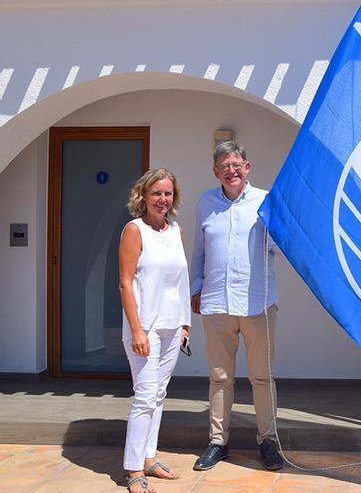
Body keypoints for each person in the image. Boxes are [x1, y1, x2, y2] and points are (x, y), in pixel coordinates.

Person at [190, 141, 283, 471]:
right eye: (224, 166)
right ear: (216, 171)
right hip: (217, 303)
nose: (231, 170)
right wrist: (197, 288)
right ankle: (218, 442)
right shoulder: (206, 202)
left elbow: (279, 246)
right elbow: (199, 250)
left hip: (258, 303)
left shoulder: (265, 200)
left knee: (262, 377)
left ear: (247, 167)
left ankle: (268, 441)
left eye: (236, 164)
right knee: (219, 377)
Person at [119, 168, 191, 493]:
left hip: (172, 327)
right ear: (143, 196)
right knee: (145, 397)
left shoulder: (176, 230)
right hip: (144, 328)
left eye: (168, 193)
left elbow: (182, 279)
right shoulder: (134, 230)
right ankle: (134, 469)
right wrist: (136, 330)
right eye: (156, 193)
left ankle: (149, 457)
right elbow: (125, 283)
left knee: (159, 396)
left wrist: (186, 322)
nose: (163, 199)